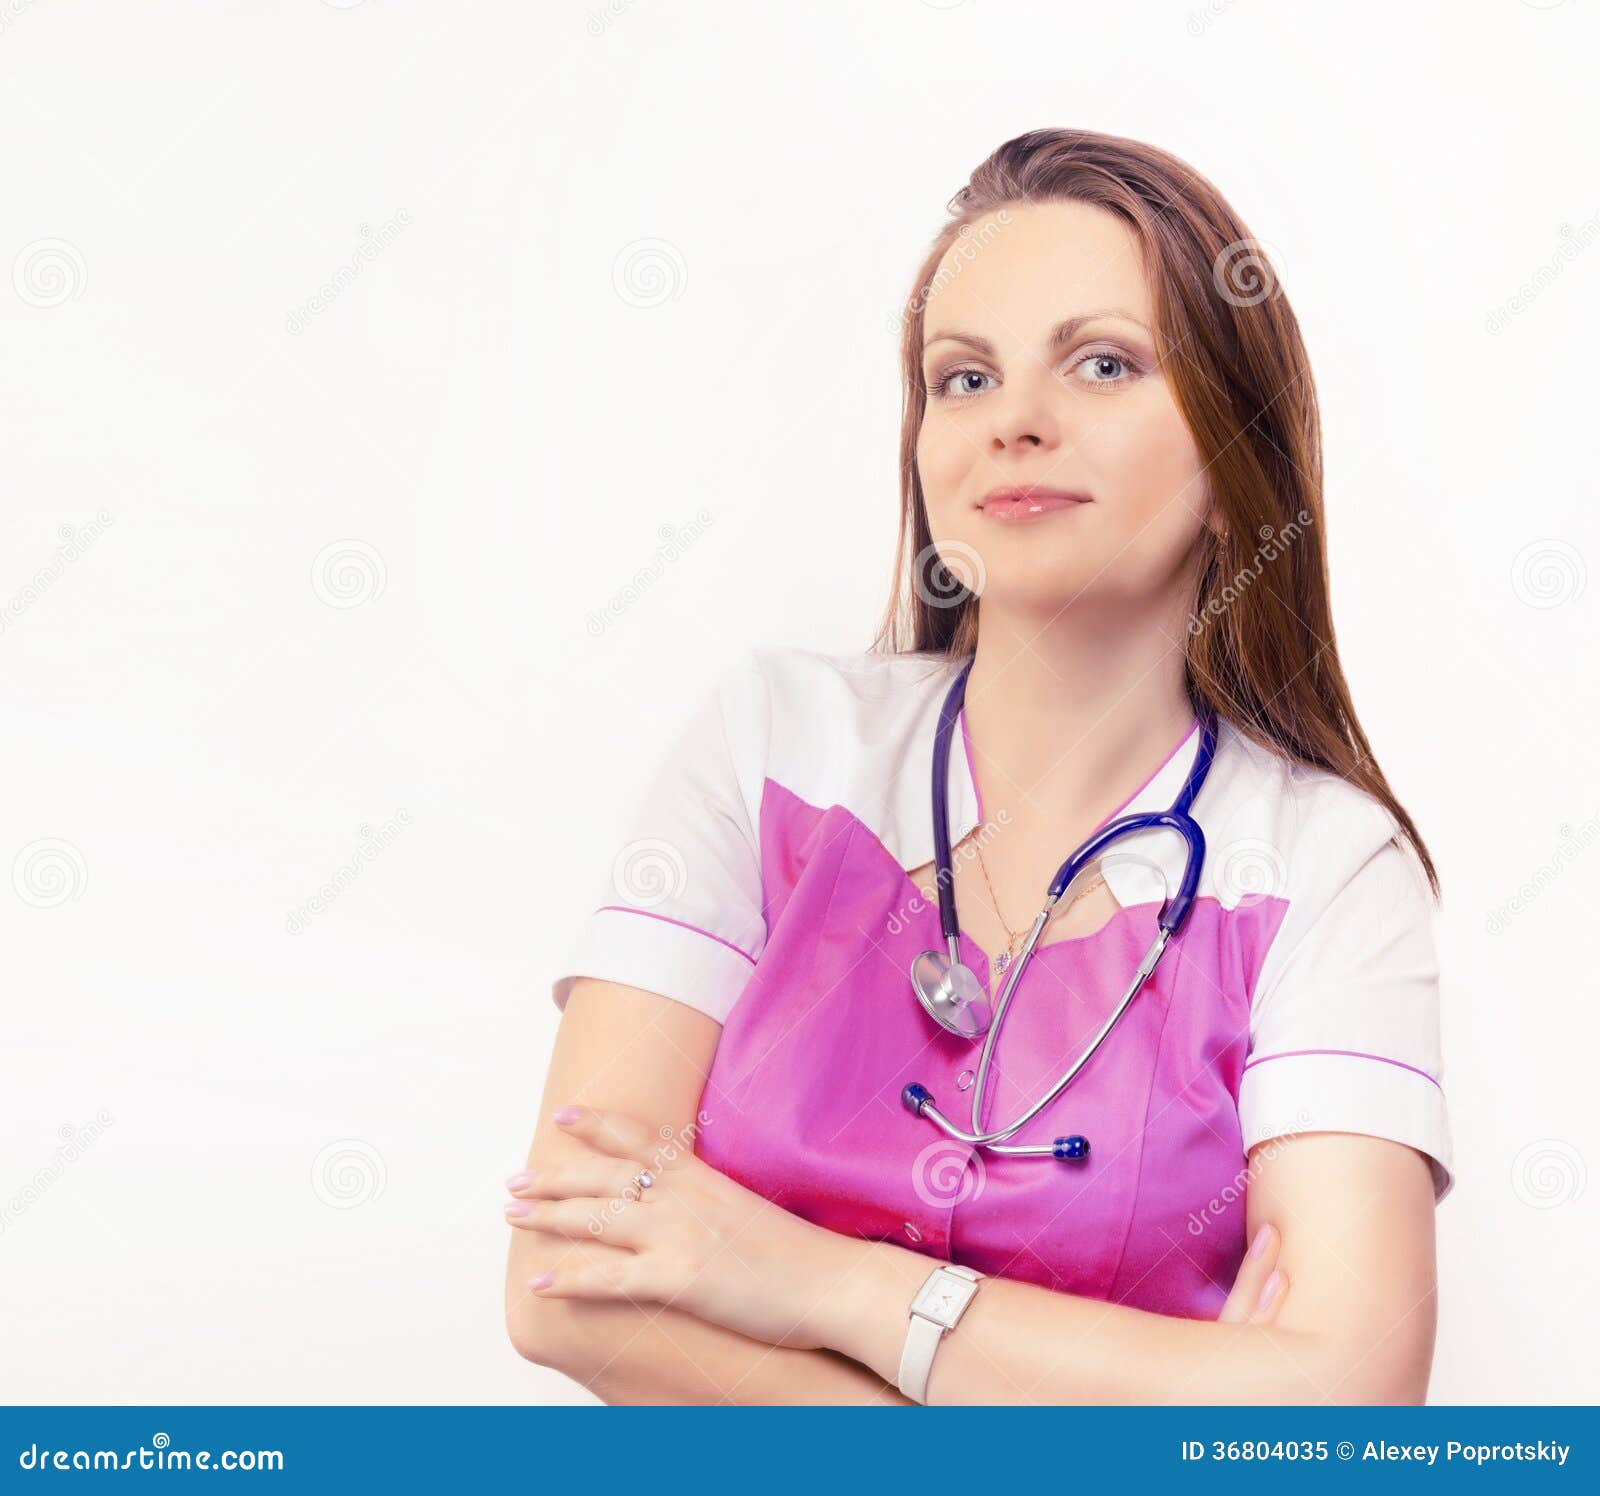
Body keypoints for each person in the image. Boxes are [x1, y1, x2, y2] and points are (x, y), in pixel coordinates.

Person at [502, 127, 1452, 1405]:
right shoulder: (768, 743)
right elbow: (565, 1285)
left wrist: (800, 1275)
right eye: (962, 379)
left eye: (1102, 363)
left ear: (1236, 464)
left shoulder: (1332, 869)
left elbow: (1339, 1406)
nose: (1014, 421)